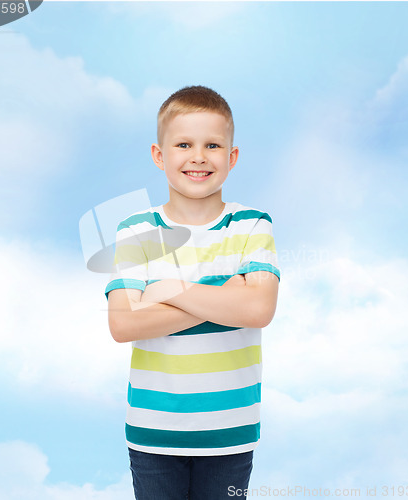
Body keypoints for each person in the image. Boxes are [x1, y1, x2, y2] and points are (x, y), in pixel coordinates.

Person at [105, 85, 280, 500]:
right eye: (184, 144)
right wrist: (223, 295)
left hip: (230, 431)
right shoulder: (136, 230)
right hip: (154, 431)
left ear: (231, 157)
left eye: (213, 145)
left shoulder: (253, 225)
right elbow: (123, 322)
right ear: (159, 155)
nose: (198, 156)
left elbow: (258, 309)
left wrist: (171, 289)